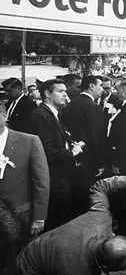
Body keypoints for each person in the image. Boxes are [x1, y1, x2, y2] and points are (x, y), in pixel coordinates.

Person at [15, 175, 126, 275]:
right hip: (29, 271)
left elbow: (100, 186)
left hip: (60, 251)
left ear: (112, 236)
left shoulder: (101, 216)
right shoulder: (74, 274)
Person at [25, 79, 83, 230]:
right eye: (60, 91)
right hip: (51, 180)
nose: (65, 94)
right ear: (47, 93)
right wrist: (72, 152)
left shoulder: (51, 113)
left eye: (65, 91)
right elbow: (45, 152)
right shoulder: (41, 116)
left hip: (58, 177)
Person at [0, 102, 49, 240]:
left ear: (5, 116)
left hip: (19, 215)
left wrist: (39, 217)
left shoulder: (29, 141)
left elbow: (41, 182)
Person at [61, 75, 105, 215]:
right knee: (87, 197)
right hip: (89, 160)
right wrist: (99, 162)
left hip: (73, 156)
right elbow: (95, 137)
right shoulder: (93, 106)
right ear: (91, 86)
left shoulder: (72, 104)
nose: (102, 90)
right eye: (100, 86)